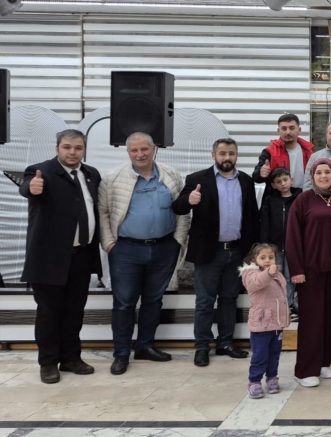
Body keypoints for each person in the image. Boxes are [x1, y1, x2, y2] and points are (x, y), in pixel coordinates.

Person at [98, 132, 189, 375]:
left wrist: (178, 242)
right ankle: (121, 353)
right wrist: (109, 243)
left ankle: (145, 346)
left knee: (153, 300)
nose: (140, 154)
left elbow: (183, 210)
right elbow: (103, 212)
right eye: (134, 150)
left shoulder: (171, 175)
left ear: (154, 149)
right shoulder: (112, 177)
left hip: (164, 248)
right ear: (128, 152)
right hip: (126, 250)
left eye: (144, 149)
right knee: (124, 303)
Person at [20, 129, 102, 384]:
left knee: (74, 311)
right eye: (67, 147)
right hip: (48, 258)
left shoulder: (91, 174)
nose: (72, 152)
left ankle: (71, 358)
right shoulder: (40, 171)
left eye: (78, 148)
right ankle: (48, 363)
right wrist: (31, 187)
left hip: (82, 256)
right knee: (49, 313)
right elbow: (26, 187)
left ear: (84, 149)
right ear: (57, 149)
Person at [173, 138, 260, 367]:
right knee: (204, 302)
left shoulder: (246, 181)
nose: (227, 158)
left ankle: (225, 343)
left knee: (229, 299)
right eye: (222, 153)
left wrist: (252, 250)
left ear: (236, 155)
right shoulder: (197, 179)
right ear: (213, 155)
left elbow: (252, 216)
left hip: (237, 251)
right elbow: (178, 207)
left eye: (231, 153)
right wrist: (189, 200)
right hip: (208, 252)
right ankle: (202, 347)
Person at [286, 159, 331, 387]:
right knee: (311, 320)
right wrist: (296, 269)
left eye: (327, 172)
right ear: (312, 176)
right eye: (319, 173)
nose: (324, 176)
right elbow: (293, 236)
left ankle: (324, 362)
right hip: (310, 270)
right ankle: (305, 370)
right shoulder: (303, 200)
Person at [239, 243, 291, 399]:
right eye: (263, 257)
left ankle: (272, 377)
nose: (267, 260)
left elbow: (282, 298)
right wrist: (269, 273)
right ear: (254, 259)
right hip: (261, 324)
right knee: (260, 355)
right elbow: (256, 283)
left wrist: (285, 316)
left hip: (277, 324)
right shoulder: (249, 273)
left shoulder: (277, 274)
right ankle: (254, 381)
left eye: (271, 257)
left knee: (274, 354)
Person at [260, 167, 302, 319]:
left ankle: (288, 306)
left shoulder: (299, 198)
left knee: (290, 278)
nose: (283, 184)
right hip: (275, 248)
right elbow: (264, 223)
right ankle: (275, 307)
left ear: (291, 180)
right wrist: (265, 246)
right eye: (278, 181)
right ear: (273, 185)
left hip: (293, 247)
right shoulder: (270, 200)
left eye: (285, 180)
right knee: (275, 277)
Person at [253, 114, 314, 201]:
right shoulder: (269, 152)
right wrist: (261, 173)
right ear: (278, 131)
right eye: (284, 128)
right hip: (277, 201)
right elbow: (256, 177)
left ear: (299, 130)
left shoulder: (309, 152)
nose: (288, 132)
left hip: (302, 198)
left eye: (292, 128)